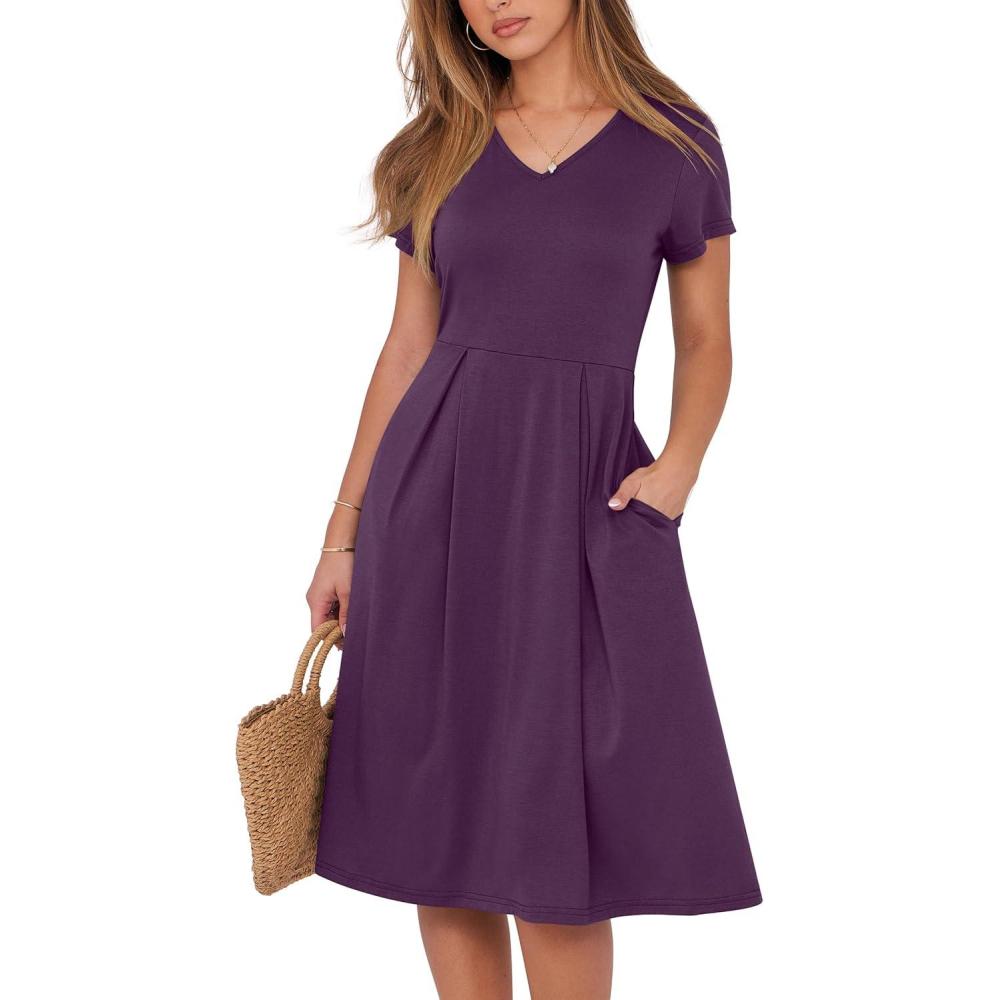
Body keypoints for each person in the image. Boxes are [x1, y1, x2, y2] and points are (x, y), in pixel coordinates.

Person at [306, 1, 761, 996]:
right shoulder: (437, 146)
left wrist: (678, 469)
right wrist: (343, 535)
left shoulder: (675, 144)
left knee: (558, 841)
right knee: (443, 823)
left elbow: (706, 338)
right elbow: (407, 349)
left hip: (583, 505)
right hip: (431, 506)